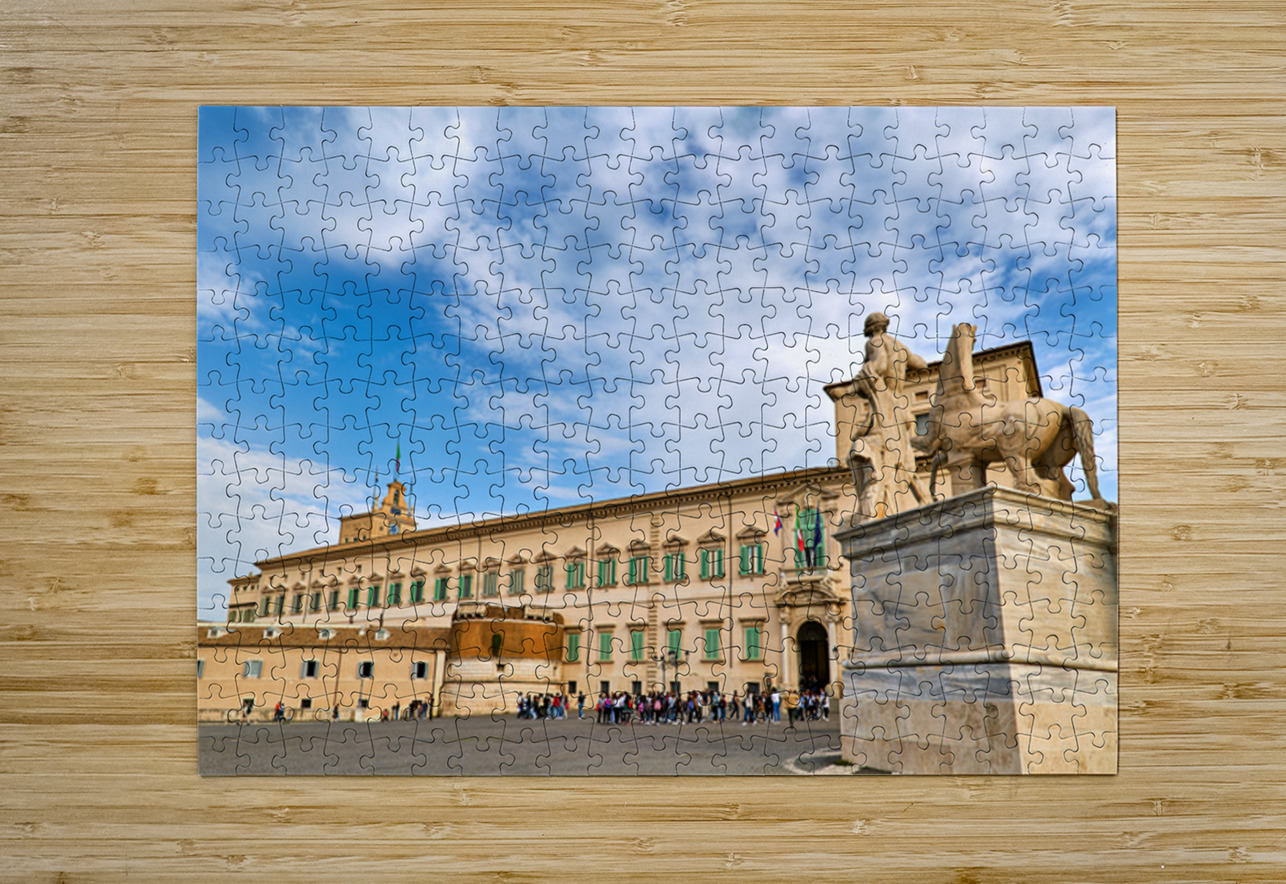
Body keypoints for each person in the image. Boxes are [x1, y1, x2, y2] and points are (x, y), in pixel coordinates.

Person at [851, 311, 930, 517]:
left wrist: (862, 375)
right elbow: (921, 364)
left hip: (884, 410)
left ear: (869, 329)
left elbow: (880, 365)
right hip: (901, 411)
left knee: (863, 448)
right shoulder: (900, 347)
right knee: (903, 458)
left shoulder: (874, 343)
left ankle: (873, 503)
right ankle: (926, 501)